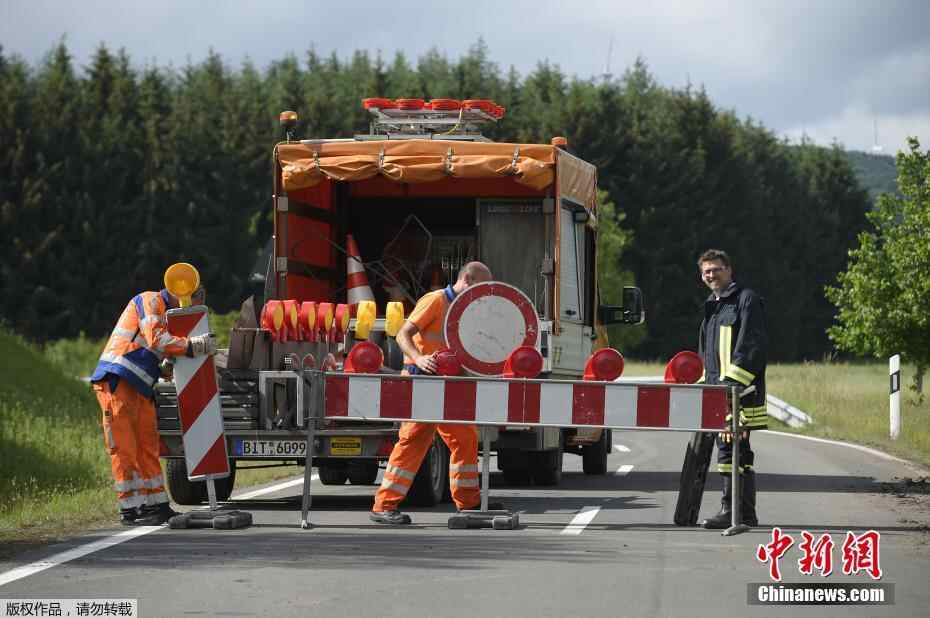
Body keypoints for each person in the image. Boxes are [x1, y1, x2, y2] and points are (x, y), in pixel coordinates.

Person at [370, 261, 494, 524]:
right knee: (414, 440)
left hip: (448, 385)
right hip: (422, 382)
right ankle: (383, 507)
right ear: (468, 280)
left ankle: (469, 504)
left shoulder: (468, 308)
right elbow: (403, 334)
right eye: (481, 287)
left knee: (465, 438)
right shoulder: (435, 300)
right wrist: (419, 358)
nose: (483, 295)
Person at [90, 284, 215, 525]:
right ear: (186, 294)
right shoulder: (151, 300)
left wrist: (165, 366)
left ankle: (158, 506)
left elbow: (153, 349)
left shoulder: (169, 316)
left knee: (148, 448)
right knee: (125, 449)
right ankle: (131, 509)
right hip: (117, 380)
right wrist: (192, 345)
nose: (192, 309)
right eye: (195, 302)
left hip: (140, 385)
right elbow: (156, 340)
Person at [696, 249, 768, 529]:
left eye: (716, 269)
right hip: (719, 394)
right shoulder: (713, 306)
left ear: (729, 270)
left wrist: (729, 391)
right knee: (737, 452)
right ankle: (744, 513)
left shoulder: (745, 300)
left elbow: (751, 347)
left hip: (739, 394)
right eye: (706, 271)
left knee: (731, 450)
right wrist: (704, 389)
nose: (711, 275)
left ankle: (731, 511)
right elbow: (708, 356)